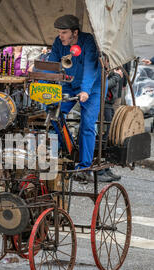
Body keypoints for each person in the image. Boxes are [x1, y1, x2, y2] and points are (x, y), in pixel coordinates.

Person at [48, 15, 102, 182]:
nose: (60, 36)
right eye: (59, 32)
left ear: (75, 32)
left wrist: (85, 90)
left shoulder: (88, 41)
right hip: (69, 84)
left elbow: (90, 67)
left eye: (64, 32)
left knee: (87, 124)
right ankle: (70, 149)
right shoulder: (59, 43)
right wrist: (45, 86)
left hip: (92, 87)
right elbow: (52, 65)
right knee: (53, 113)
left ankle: (85, 167)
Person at [97, 69, 123, 182]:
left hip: (108, 104)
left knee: (108, 137)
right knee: (102, 136)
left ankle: (105, 167)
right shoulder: (102, 66)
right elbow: (104, 84)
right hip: (103, 103)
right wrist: (117, 76)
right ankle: (99, 170)